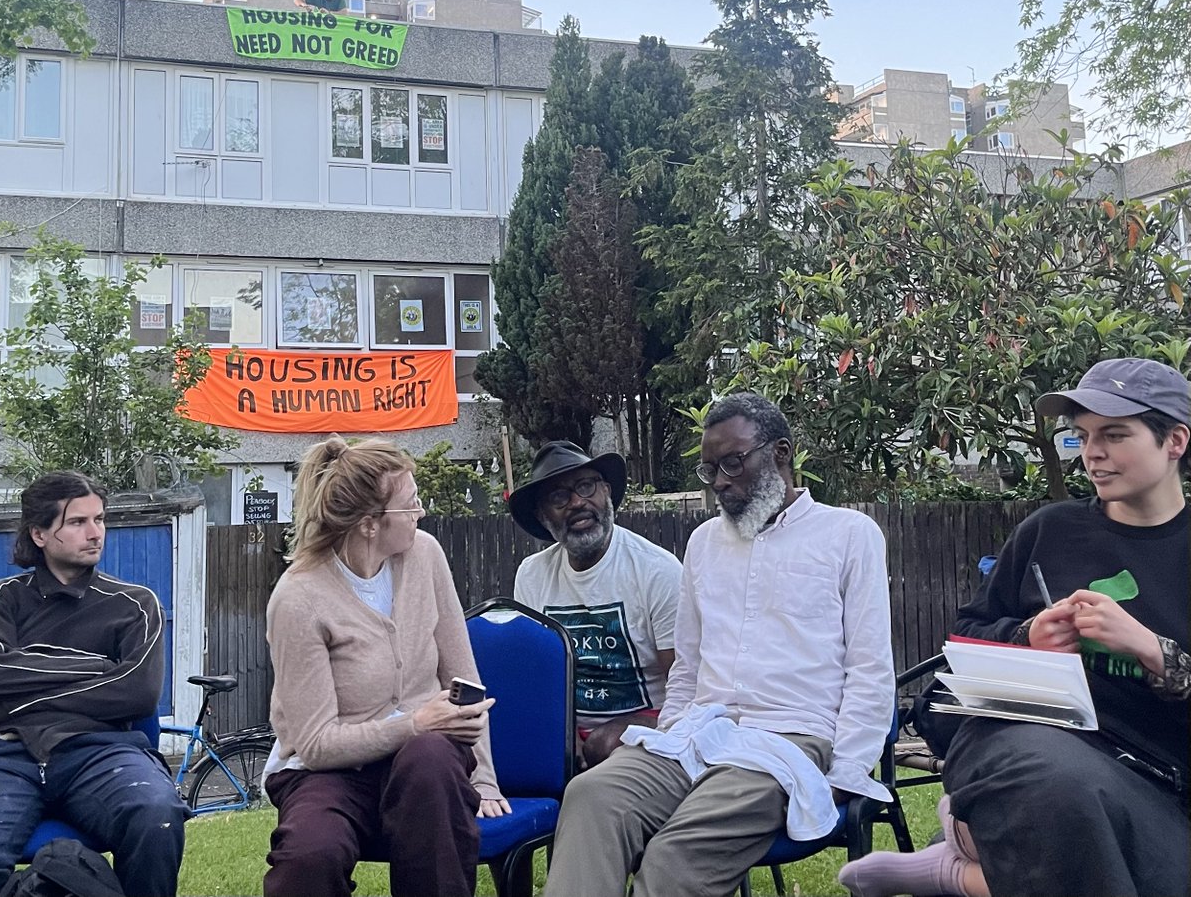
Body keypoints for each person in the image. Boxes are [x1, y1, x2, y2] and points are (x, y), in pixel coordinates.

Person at [838, 356, 1190, 897]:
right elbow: (963, 644)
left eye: (1115, 435)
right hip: (1028, 744)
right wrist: (1027, 637)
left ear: (1175, 442)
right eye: (1083, 436)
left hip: (1155, 779)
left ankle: (962, 869)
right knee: (1060, 788)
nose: (1093, 453)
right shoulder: (1050, 531)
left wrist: (1153, 650)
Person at [541, 393, 894, 897]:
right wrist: (672, 731)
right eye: (710, 470)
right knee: (594, 795)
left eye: (733, 462)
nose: (722, 482)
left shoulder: (849, 536)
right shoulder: (704, 543)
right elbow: (687, 665)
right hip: (699, 734)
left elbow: (870, 669)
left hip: (788, 743)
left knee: (673, 856)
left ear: (780, 454)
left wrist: (848, 770)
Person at [262, 436, 508, 897]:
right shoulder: (298, 598)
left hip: (421, 765)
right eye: (411, 504)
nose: (420, 513)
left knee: (431, 757)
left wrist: (485, 778)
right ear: (370, 524)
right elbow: (315, 746)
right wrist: (413, 723)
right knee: (309, 856)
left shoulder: (426, 555)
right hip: (326, 773)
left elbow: (465, 680)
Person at [0, 471, 188, 897]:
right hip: (7, 754)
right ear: (40, 534)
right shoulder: (0, 599)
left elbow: (138, 692)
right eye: (78, 522)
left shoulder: (135, 605)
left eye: (99, 519)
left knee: (158, 815)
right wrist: (97, 667)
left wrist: (21, 693)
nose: (95, 532)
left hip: (102, 752)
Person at [508, 440, 681, 768]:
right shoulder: (532, 575)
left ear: (606, 492)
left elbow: (685, 683)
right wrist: (561, 733)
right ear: (542, 516)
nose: (576, 502)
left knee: (604, 744)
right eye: (559, 497)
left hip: (650, 723)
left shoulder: (656, 570)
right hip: (567, 728)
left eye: (585, 486)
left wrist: (632, 731)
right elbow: (537, 678)